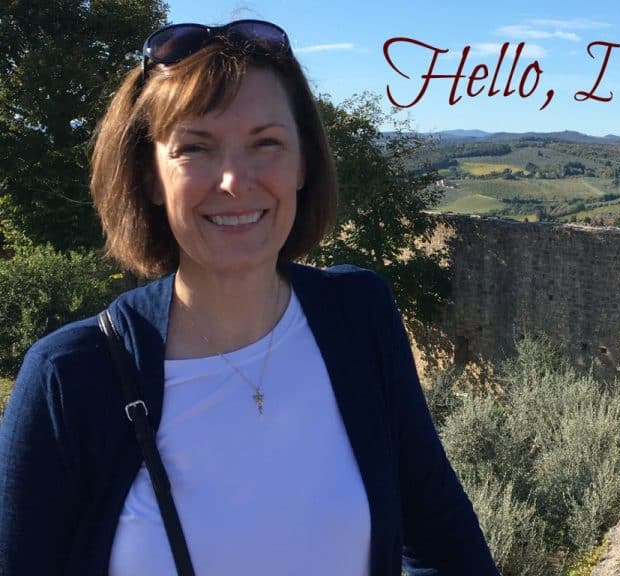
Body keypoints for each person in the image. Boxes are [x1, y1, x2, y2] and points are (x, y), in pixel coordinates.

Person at [0, 19, 498, 576]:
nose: (235, 180)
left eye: (266, 143)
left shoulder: (359, 317)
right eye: (195, 148)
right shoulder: (69, 380)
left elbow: (440, 538)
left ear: (303, 162)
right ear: (148, 177)